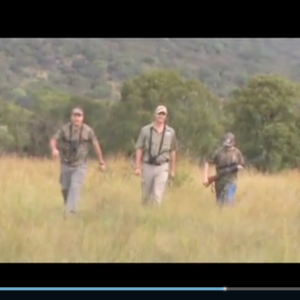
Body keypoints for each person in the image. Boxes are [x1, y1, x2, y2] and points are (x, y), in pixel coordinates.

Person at [49, 107, 106, 217]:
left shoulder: (88, 131)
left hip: (80, 165)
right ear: (71, 117)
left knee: (75, 187)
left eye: (79, 116)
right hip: (66, 163)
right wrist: (54, 149)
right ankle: (68, 205)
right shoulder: (65, 129)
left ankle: (71, 213)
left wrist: (101, 162)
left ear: (82, 118)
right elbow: (53, 139)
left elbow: (96, 145)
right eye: (75, 116)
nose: (76, 118)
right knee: (65, 188)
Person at [134, 105, 178, 206]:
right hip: (148, 165)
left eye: (163, 114)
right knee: (145, 195)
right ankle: (144, 215)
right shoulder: (145, 130)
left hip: (162, 166)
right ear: (155, 115)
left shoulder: (170, 132)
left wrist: (172, 170)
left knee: (158, 195)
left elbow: (173, 150)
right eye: (159, 113)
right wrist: (137, 167)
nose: (161, 116)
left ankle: (154, 215)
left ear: (166, 116)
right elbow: (139, 148)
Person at [203, 132, 244, 206]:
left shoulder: (237, 153)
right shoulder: (219, 152)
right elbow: (207, 162)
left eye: (230, 146)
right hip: (219, 181)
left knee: (229, 201)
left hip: (232, 181)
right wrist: (205, 178)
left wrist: (237, 167)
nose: (228, 148)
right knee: (220, 204)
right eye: (226, 146)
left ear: (234, 143)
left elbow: (242, 165)